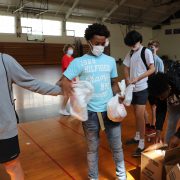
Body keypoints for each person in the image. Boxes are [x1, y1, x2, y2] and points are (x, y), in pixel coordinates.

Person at [60, 23, 126, 180]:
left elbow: (113, 83)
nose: (100, 46)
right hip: (90, 113)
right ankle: (93, 177)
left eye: (103, 43)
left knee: (117, 147)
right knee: (92, 149)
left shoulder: (110, 61)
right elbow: (64, 80)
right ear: (89, 42)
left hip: (110, 111)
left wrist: (120, 94)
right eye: (97, 43)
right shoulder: (78, 62)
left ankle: (121, 176)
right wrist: (73, 97)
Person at [0, 53, 62, 180]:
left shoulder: (4, 61)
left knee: (12, 166)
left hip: (4, 129)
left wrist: (60, 90)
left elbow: (31, 83)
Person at [123, 30, 155, 157]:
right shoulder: (131, 52)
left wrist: (139, 78)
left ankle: (141, 144)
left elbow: (152, 69)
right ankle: (137, 137)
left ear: (139, 41)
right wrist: (127, 79)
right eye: (130, 45)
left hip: (142, 88)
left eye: (134, 44)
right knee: (136, 114)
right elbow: (125, 67)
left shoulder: (146, 52)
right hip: (132, 89)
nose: (132, 47)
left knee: (140, 116)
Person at [148, 72, 180, 145]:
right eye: (158, 97)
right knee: (171, 123)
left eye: (161, 96)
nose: (160, 98)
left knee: (177, 137)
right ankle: (168, 148)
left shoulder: (178, 84)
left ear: (168, 88)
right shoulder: (160, 90)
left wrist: (178, 135)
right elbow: (160, 110)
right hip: (173, 101)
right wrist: (158, 131)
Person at [144, 40, 164, 134]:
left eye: (153, 47)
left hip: (153, 88)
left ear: (157, 48)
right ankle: (147, 123)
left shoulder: (159, 61)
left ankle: (153, 125)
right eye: (149, 47)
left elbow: (161, 76)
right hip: (144, 85)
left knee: (153, 107)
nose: (151, 48)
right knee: (141, 105)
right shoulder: (146, 59)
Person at [59, 44, 74, 115]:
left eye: (72, 49)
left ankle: (72, 109)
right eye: (69, 49)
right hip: (67, 78)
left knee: (72, 95)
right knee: (67, 95)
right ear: (66, 50)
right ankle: (62, 109)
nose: (71, 50)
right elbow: (67, 68)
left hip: (72, 78)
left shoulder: (72, 58)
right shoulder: (65, 58)